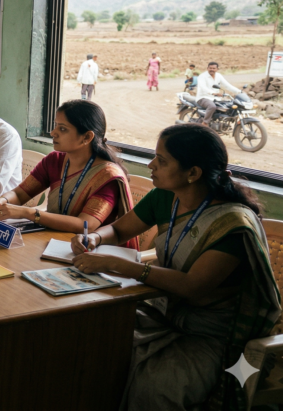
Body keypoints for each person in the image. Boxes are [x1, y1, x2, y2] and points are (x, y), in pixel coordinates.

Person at [69, 124, 281, 410]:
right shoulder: (165, 196)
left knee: (155, 389)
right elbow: (118, 231)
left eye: (162, 160)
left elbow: (193, 286)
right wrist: (93, 236)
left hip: (210, 335)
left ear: (193, 173)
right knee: (93, 343)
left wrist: (120, 265)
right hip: (161, 311)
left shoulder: (232, 225)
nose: (151, 165)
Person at [0, 100, 138, 248]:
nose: (53, 133)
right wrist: (1, 201)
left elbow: (86, 225)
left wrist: (28, 213)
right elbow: (20, 193)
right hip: (51, 241)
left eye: (62, 129)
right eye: (55, 126)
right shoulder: (54, 161)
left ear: (86, 137)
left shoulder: (106, 176)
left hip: (88, 252)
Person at [195, 61, 241, 127]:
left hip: (215, 98)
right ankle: (205, 123)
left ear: (217, 69)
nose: (212, 70)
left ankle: (221, 123)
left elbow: (227, 85)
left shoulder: (218, 76)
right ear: (207, 68)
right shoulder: (202, 76)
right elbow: (203, 87)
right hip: (203, 97)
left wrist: (239, 92)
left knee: (229, 105)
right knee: (212, 106)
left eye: (214, 68)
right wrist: (213, 93)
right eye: (210, 68)